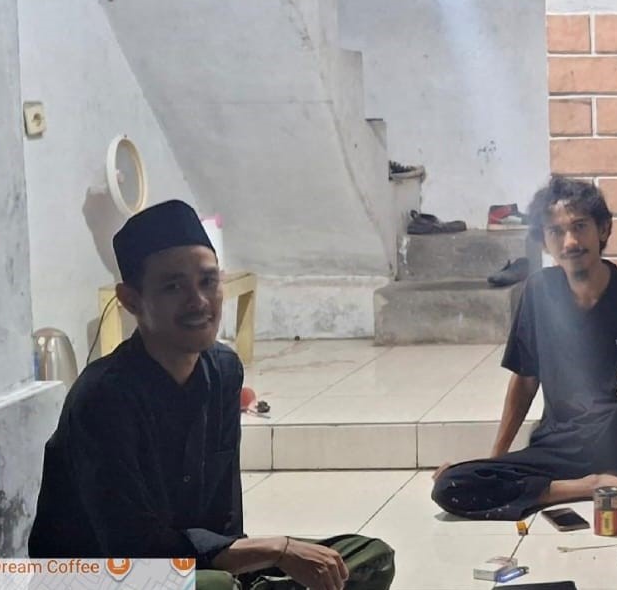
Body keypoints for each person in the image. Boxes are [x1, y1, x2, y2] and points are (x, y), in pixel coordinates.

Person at [29, 200, 395, 590]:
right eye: (173, 286)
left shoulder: (223, 371)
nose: (199, 301)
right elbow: (134, 549)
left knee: (366, 557)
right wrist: (273, 551)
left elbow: (225, 523)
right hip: (98, 575)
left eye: (208, 282)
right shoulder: (103, 398)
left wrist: (260, 558)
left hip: (196, 565)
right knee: (217, 586)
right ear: (131, 300)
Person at [430, 177, 617, 520]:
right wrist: (496, 461)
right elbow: (524, 382)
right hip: (562, 443)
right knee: (450, 484)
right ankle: (590, 485)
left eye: (580, 227)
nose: (570, 242)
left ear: (603, 229)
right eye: (556, 232)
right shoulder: (538, 291)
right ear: (544, 240)